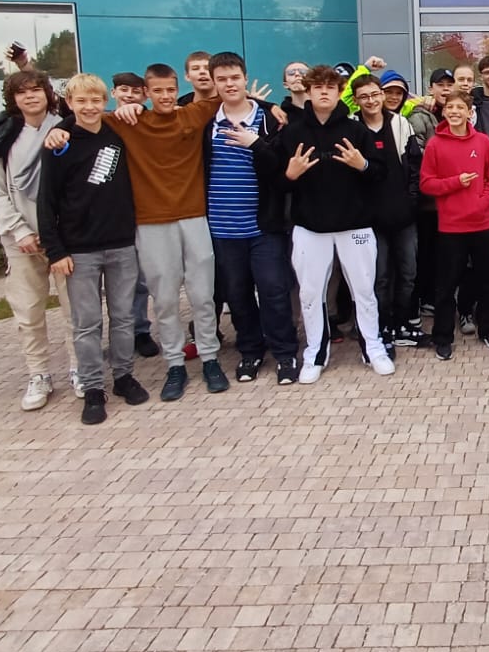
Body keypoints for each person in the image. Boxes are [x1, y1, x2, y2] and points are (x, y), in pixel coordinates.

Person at [58, 63, 227, 401]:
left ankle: (210, 358)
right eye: (158, 91)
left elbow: (228, 97)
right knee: (164, 299)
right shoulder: (129, 121)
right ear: (146, 93)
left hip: (194, 217)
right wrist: (58, 130)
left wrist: (274, 111)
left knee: (202, 295)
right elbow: (86, 118)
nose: (165, 96)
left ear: (178, 89)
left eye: (170, 90)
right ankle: (175, 365)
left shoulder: (191, 115)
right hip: (151, 223)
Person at [270, 64, 394, 383]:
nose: (324, 92)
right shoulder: (292, 133)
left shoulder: (357, 131)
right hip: (310, 228)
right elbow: (275, 183)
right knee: (311, 294)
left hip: (355, 226)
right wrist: (289, 175)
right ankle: (315, 352)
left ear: (339, 93)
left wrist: (362, 165)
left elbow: (380, 174)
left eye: (330, 87)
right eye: (318, 87)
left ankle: (373, 347)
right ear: (308, 92)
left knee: (364, 291)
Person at [39, 74, 150, 424]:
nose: (89, 107)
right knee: (86, 323)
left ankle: (123, 376)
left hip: (121, 244)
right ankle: (92, 389)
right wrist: (55, 251)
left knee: (123, 317)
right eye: (81, 101)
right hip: (79, 250)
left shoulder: (118, 133)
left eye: (95, 101)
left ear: (106, 101)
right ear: (69, 104)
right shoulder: (59, 143)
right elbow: (46, 201)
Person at [0, 69, 79, 410]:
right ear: (13, 98)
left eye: (37, 90)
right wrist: (18, 230)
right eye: (22, 92)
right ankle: (39, 374)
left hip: (65, 239)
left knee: (76, 309)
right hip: (22, 240)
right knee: (29, 312)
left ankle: (79, 368)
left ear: (48, 93)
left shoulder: (67, 126)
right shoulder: (1, 135)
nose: (31, 96)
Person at [204, 53, 301, 386]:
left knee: (274, 290)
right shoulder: (206, 121)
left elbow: (281, 171)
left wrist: (256, 142)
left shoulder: (270, 120)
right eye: (222, 79)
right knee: (238, 295)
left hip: (264, 224)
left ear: (245, 78)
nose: (229, 84)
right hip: (223, 226)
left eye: (235, 77)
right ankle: (250, 350)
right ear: (214, 83)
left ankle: (285, 353)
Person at [421, 88, 489, 359]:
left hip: (481, 224)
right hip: (450, 227)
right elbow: (426, 184)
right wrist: (456, 182)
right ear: (444, 111)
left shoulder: (483, 142)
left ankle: (488, 329)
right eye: (450, 107)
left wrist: (482, 203)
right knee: (446, 285)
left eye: (460, 108)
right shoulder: (435, 144)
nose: (455, 112)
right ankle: (443, 337)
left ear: (470, 113)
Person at [354, 73, 426, 350]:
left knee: (408, 273)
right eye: (364, 96)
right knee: (380, 277)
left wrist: (411, 201)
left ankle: (402, 324)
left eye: (375, 94)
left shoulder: (399, 124)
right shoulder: (353, 127)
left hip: (403, 215)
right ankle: (382, 327)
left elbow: (415, 165)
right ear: (356, 100)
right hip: (370, 220)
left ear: (381, 95)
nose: (371, 100)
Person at [111, 71, 158, 356]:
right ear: (113, 93)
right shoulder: (104, 123)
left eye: (135, 91)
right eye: (123, 90)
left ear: (144, 96)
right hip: (109, 214)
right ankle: (120, 333)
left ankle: (140, 330)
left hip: (142, 212)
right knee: (116, 282)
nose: (129, 96)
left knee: (140, 279)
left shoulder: (150, 122)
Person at [414, 68, 458, 317]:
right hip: (430, 201)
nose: (445, 89)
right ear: (430, 89)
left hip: (454, 199)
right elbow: (418, 156)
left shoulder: (457, 113)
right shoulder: (421, 116)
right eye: (440, 85)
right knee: (429, 252)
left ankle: (445, 296)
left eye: (449, 84)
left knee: (448, 252)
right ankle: (428, 298)